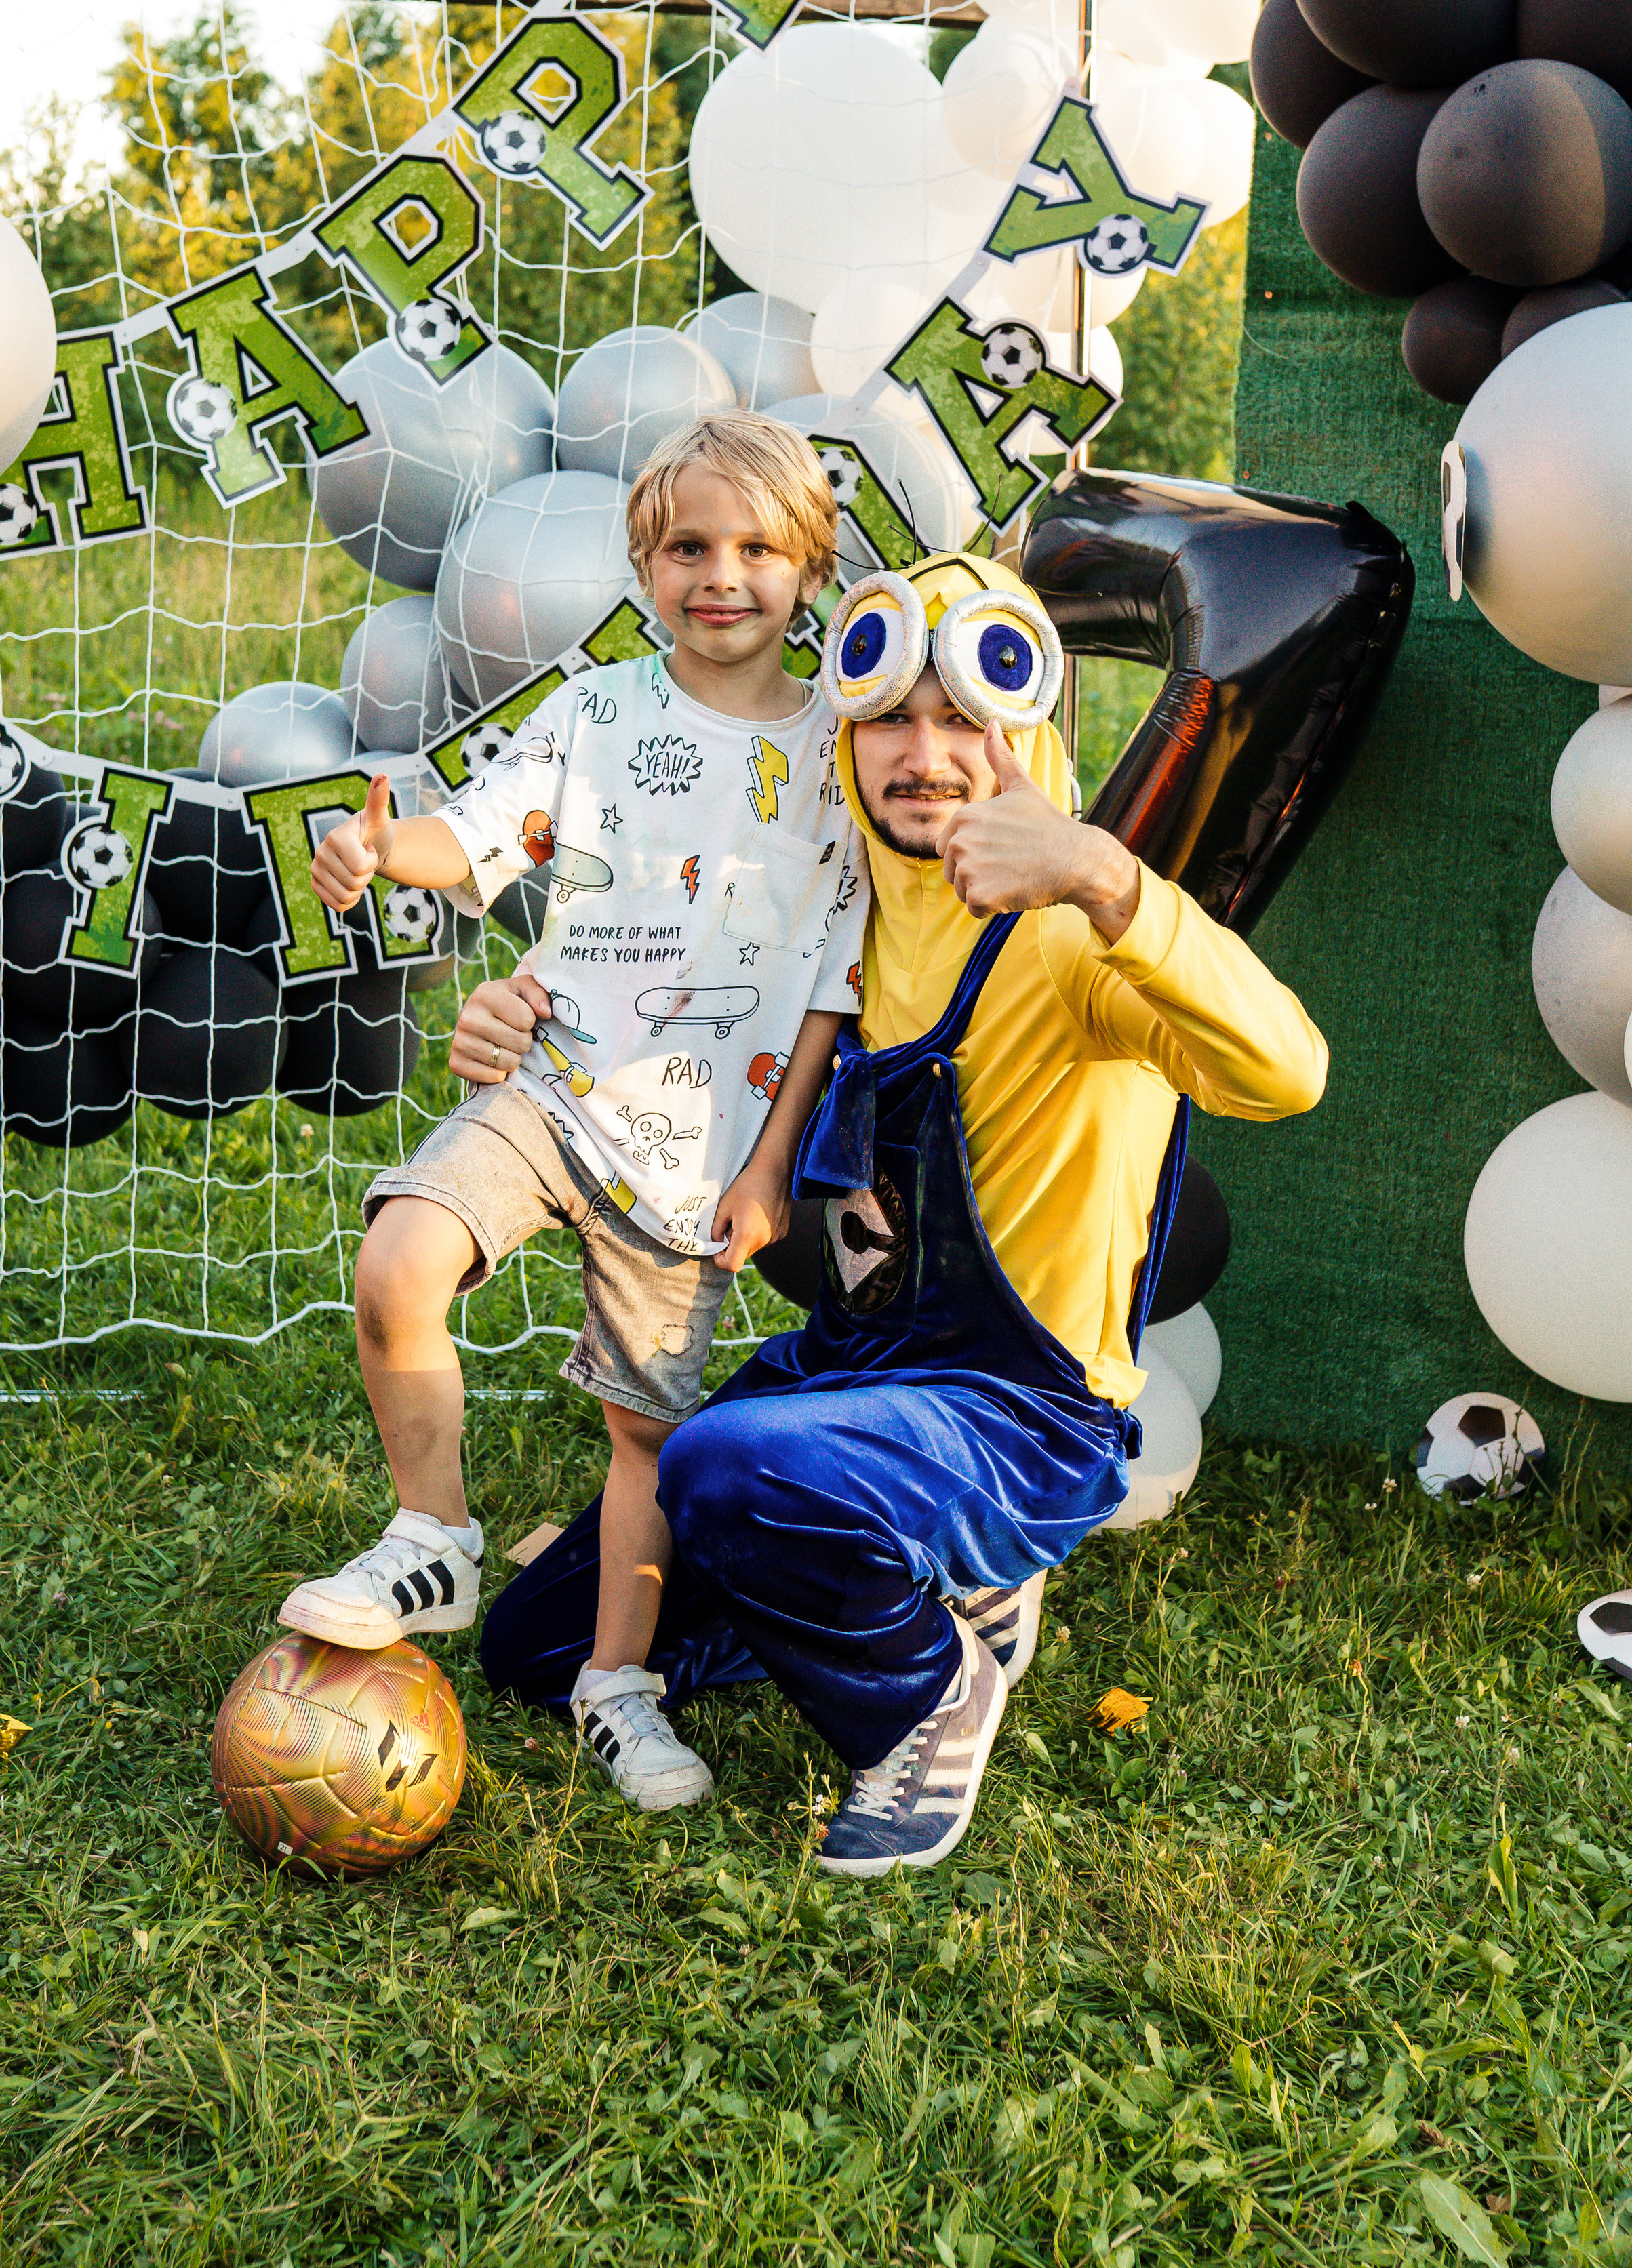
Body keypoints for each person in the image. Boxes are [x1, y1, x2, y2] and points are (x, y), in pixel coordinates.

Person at [480, 551, 1329, 1874]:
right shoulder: (830, 920)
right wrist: (525, 1014)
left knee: (720, 1469)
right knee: (533, 1644)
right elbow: (646, 998)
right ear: (843, 730)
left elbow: (1287, 1069)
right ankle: (873, 1567)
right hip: (857, 1370)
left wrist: (1106, 879)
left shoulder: (1071, 937)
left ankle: (925, 1695)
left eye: (960, 717)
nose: (922, 753)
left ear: (1024, 726)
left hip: (1020, 1413)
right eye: (887, 716)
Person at [279, 413, 870, 1811]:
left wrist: (770, 1168)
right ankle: (432, 1532)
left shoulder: (843, 752)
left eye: (753, 549)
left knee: (642, 1440)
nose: (718, 576)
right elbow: (483, 835)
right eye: (685, 548)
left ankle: (617, 1682)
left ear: (808, 567)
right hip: (552, 1086)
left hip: (697, 1158)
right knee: (397, 1261)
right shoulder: (598, 711)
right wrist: (379, 845)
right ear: (642, 563)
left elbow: (829, 985)